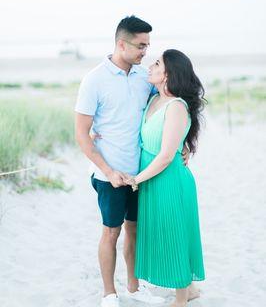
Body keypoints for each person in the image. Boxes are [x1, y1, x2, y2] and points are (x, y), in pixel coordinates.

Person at [75, 16, 189, 307]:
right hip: (109, 175)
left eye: (148, 46)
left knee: (135, 229)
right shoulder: (94, 80)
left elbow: (169, 107)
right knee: (111, 232)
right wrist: (108, 170)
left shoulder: (143, 77)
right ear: (121, 43)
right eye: (140, 46)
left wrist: (185, 142)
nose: (145, 52)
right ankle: (108, 292)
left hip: (142, 174)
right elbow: (82, 135)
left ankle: (135, 287)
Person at [125, 49, 206, 307]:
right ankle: (190, 289)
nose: (151, 65)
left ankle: (181, 299)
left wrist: (137, 179)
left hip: (169, 180)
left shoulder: (176, 106)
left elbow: (166, 156)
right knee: (163, 232)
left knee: (176, 234)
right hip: (154, 181)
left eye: (157, 63)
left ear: (168, 74)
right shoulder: (154, 101)